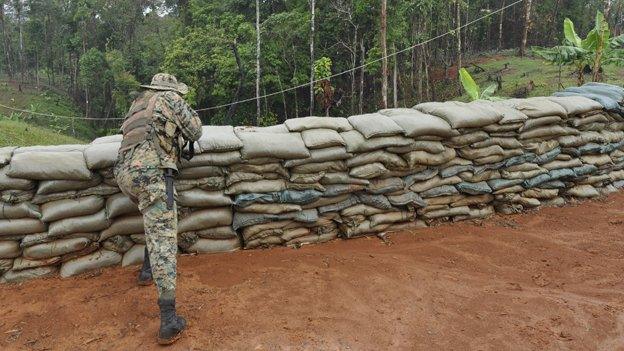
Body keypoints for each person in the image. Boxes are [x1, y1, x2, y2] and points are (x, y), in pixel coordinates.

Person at [114, 73, 202, 345]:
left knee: (152, 219)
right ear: (172, 89)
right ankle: (168, 321)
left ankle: (146, 270)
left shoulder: (138, 102)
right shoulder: (171, 98)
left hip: (124, 175)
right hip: (152, 174)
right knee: (164, 238)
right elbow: (196, 130)